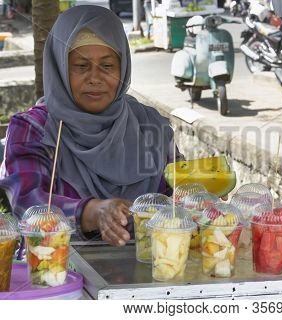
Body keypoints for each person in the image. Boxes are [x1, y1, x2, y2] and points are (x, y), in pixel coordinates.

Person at [0, 5, 179, 247]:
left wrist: (200, 202)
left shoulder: (150, 125)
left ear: (123, 68)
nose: (95, 78)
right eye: (81, 66)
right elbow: (26, 203)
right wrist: (93, 212)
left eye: (107, 66)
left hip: (153, 273)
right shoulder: (35, 128)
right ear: (60, 68)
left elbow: (177, 194)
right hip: (57, 272)